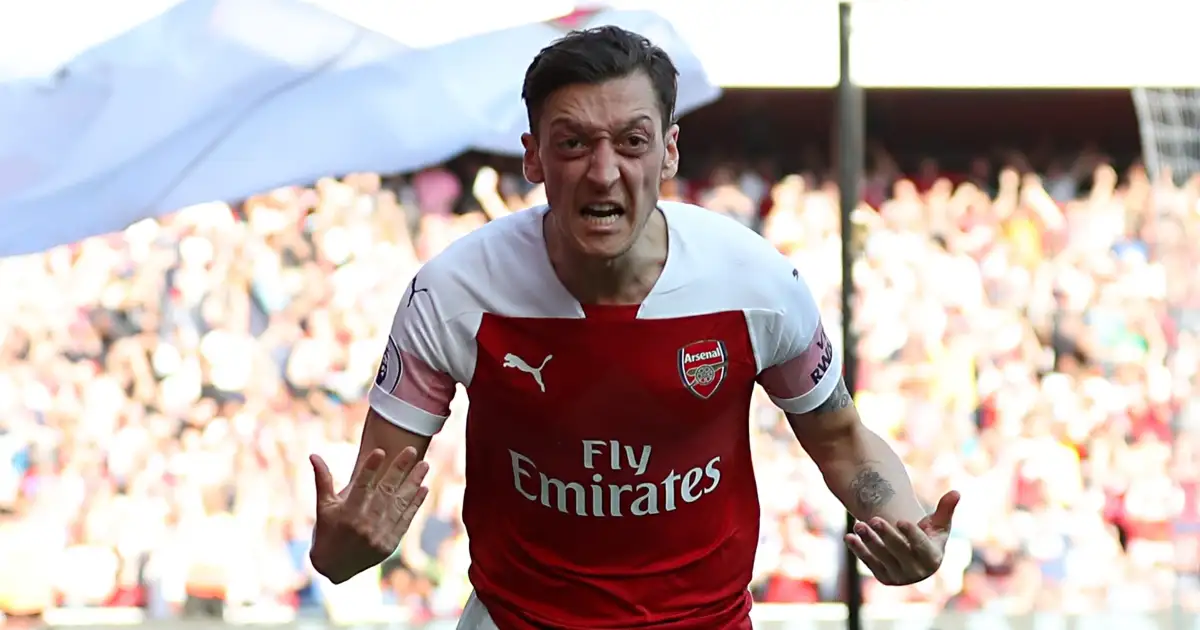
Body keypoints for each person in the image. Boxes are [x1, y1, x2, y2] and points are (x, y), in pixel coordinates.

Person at [307, 25, 960, 629]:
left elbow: (843, 441)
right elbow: (358, 520)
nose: (603, 172)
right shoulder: (452, 293)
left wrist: (904, 522)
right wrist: (341, 549)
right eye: (573, 143)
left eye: (631, 142)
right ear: (533, 157)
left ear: (668, 152)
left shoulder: (756, 283)